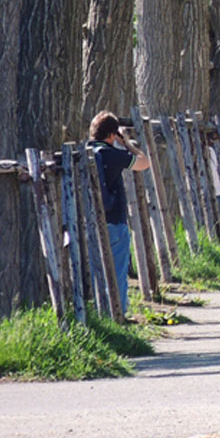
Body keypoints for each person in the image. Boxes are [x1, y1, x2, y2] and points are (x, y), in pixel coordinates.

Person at [88, 111, 151, 317]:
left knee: (94, 273)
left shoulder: (84, 152)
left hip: (87, 223)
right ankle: (117, 315)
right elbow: (143, 163)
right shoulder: (111, 154)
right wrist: (127, 144)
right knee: (117, 273)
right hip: (113, 220)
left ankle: (96, 314)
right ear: (112, 134)